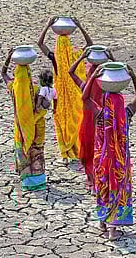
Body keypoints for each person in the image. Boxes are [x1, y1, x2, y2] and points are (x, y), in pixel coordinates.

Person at [82, 63, 136, 240]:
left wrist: (93, 77)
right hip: (119, 162)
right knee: (118, 188)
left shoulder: (100, 113)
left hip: (101, 159)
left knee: (103, 187)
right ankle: (113, 230)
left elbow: (84, 98)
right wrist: (132, 76)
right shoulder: (126, 114)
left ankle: (102, 222)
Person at [37, 16, 93, 164]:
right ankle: (77, 150)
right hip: (75, 94)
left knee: (63, 122)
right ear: (69, 45)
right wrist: (80, 27)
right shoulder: (75, 56)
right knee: (77, 121)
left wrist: (48, 25)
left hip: (60, 97)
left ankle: (66, 153)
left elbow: (40, 43)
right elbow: (90, 44)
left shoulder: (54, 58)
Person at [69, 47, 116, 195]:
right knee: (97, 152)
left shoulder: (87, 90)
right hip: (98, 123)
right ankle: (95, 182)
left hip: (94, 122)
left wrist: (82, 57)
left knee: (91, 153)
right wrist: (112, 60)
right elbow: (117, 77)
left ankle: (93, 181)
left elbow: (71, 72)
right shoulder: (104, 90)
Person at [1, 48, 47, 191]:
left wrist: (9, 58)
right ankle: (39, 182)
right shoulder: (35, 88)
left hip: (20, 128)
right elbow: (46, 105)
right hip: (37, 127)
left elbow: (3, 73)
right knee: (37, 153)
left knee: (25, 153)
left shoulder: (13, 88)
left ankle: (27, 182)